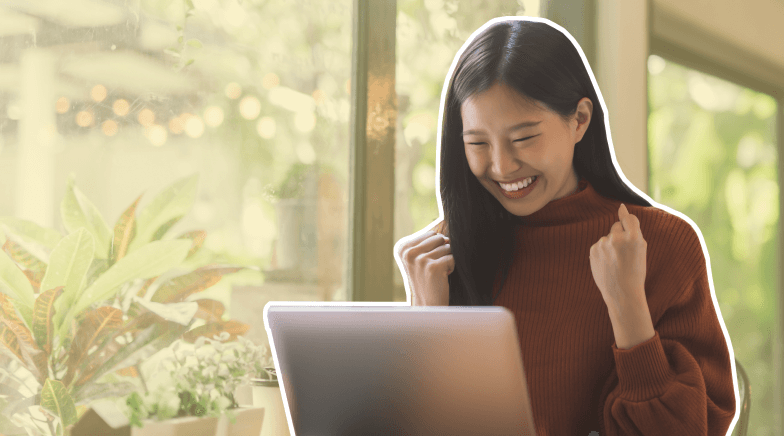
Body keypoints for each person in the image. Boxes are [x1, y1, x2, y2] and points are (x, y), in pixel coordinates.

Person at [394, 17, 738, 436]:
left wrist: (628, 307)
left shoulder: (660, 245)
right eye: (478, 143)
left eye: (523, 138)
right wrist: (428, 325)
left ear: (579, 120)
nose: (501, 166)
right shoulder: (444, 254)